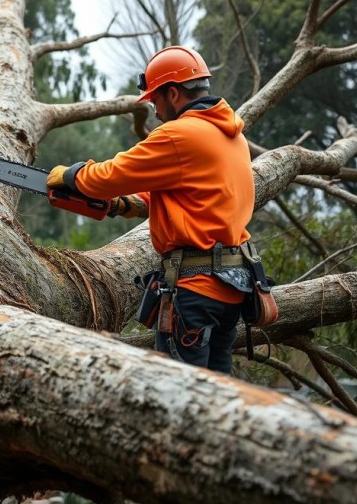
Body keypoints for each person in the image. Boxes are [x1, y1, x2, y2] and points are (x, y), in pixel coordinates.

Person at [46, 46, 255, 374]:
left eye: (155, 100)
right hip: (232, 289)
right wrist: (133, 203)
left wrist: (72, 176)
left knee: (182, 395)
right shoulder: (231, 135)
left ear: (173, 94)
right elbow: (199, 195)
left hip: (195, 291)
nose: (155, 111)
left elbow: (110, 175)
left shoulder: (179, 134)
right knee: (219, 394)